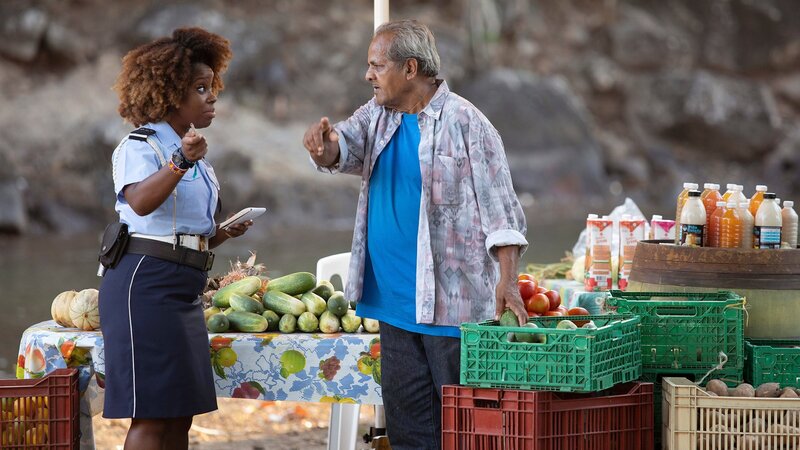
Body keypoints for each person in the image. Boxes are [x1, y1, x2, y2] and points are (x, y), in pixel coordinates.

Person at [302, 19, 528, 449]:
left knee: (459, 434)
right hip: (392, 306)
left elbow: (503, 212)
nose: (368, 75)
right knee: (408, 434)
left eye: (376, 65)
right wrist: (323, 147)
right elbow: (343, 148)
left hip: (452, 311)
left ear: (409, 69)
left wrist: (508, 280)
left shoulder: (467, 122)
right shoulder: (376, 116)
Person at [99, 27, 251, 450]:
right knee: (150, 415)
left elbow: (180, 233)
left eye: (211, 87)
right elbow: (140, 203)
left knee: (179, 414)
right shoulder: (140, 145)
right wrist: (181, 161)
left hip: (182, 289)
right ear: (169, 94)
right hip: (144, 286)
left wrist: (221, 233)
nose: (211, 97)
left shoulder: (197, 155)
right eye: (199, 88)